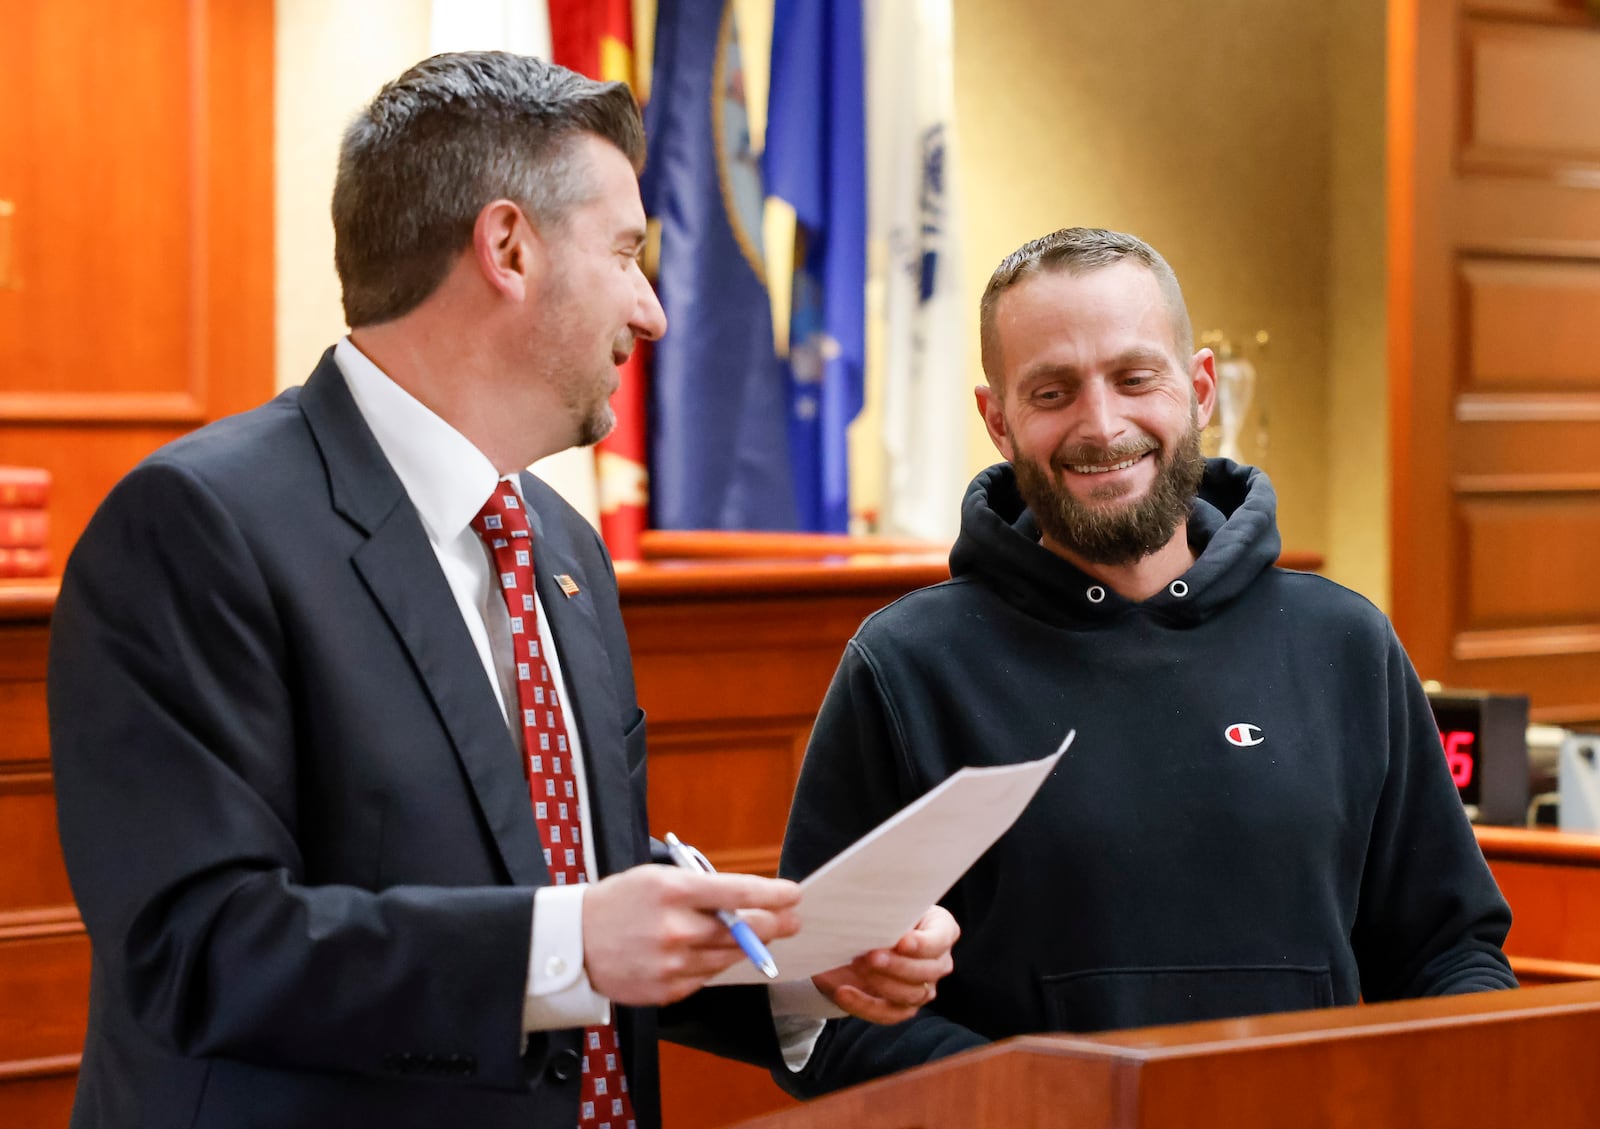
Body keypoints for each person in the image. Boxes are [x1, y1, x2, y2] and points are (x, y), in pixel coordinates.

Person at [47, 52, 954, 1129]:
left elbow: (576, 877)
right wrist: (568, 941)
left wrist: (802, 967)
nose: (654, 310)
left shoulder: (559, 544)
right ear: (509, 247)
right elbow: (197, 945)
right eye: (626, 253)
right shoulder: (194, 526)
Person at [775, 227, 1516, 1096]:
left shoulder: (1344, 644)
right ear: (998, 420)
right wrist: (1070, 1101)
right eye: (1053, 391)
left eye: (1135, 378)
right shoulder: (905, 669)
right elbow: (820, 1015)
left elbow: (1449, 950)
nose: (1102, 424)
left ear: (1197, 389)